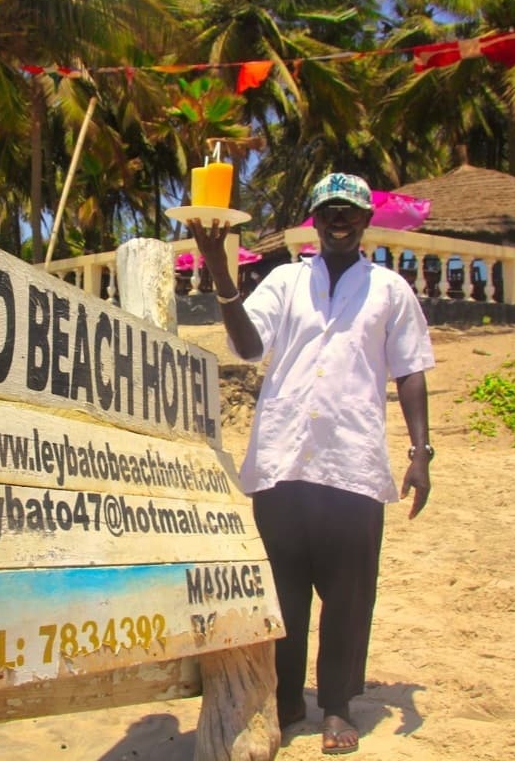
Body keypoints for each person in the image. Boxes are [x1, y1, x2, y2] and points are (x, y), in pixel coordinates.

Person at [187, 172, 434, 755]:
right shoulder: (286, 280)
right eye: (328, 211)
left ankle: (338, 705)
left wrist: (420, 452)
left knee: (348, 596)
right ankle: (289, 698)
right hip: (283, 460)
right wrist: (222, 277)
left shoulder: (390, 290)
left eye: (349, 211)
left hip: (354, 464)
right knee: (284, 594)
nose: (339, 219)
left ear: (366, 220)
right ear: (315, 221)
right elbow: (249, 347)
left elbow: (410, 371)